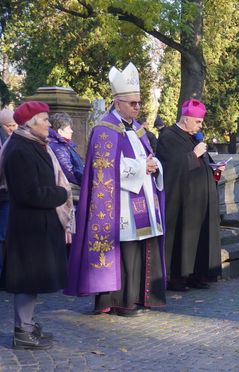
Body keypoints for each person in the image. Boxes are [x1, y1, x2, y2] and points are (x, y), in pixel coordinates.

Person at [65, 62, 167, 316]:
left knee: (141, 249)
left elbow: (150, 156)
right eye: (133, 103)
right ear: (117, 102)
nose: (138, 107)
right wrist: (141, 167)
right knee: (125, 252)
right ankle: (121, 301)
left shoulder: (139, 129)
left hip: (142, 199)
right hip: (119, 205)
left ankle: (140, 297)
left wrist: (155, 165)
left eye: (139, 102)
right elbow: (104, 169)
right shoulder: (104, 129)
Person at [0, 101, 74, 349]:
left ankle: (29, 325)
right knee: (26, 280)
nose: (48, 124)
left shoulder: (35, 145)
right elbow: (27, 193)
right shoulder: (20, 150)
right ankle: (22, 331)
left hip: (38, 226)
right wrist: (61, 194)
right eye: (44, 119)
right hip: (28, 229)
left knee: (32, 280)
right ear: (31, 124)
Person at [156, 99, 224, 291]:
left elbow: (204, 163)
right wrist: (194, 155)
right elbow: (172, 167)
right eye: (198, 122)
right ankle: (177, 277)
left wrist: (215, 168)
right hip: (182, 199)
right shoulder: (169, 136)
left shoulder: (195, 137)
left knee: (200, 237)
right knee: (182, 237)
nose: (200, 125)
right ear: (186, 119)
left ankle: (198, 274)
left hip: (201, 199)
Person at [47, 113, 85, 186]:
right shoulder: (58, 147)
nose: (72, 131)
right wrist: (85, 182)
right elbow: (68, 171)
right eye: (69, 128)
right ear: (60, 131)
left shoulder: (64, 144)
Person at [0, 108, 16, 277]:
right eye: (9, 125)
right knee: (2, 236)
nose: (12, 128)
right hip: (3, 194)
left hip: (8, 194)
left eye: (14, 125)